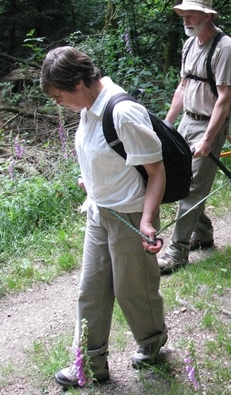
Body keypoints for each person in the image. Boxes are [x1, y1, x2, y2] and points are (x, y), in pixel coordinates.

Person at [40, 47, 168, 387]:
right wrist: (92, 180)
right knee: (91, 290)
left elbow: (156, 172)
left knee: (133, 290)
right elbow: (106, 155)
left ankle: (152, 346)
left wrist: (147, 219)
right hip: (98, 212)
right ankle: (90, 363)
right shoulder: (86, 108)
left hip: (129, 214)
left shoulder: (123, 112)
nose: (58, 103)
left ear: (79, 83)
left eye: (59, 95)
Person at [158, 0, 231, 274]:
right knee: (179, 179)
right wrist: (167, 126)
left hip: (209, 124)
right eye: (183, 13)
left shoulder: (225, 48)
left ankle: (176, 251)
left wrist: (207, 139)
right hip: (187, 122)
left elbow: (224, 99)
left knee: (192, 188)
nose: (186, 19)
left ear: (208, 16)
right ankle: (203, 234)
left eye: (191, 14)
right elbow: (183, 87)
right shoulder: (190, 44)